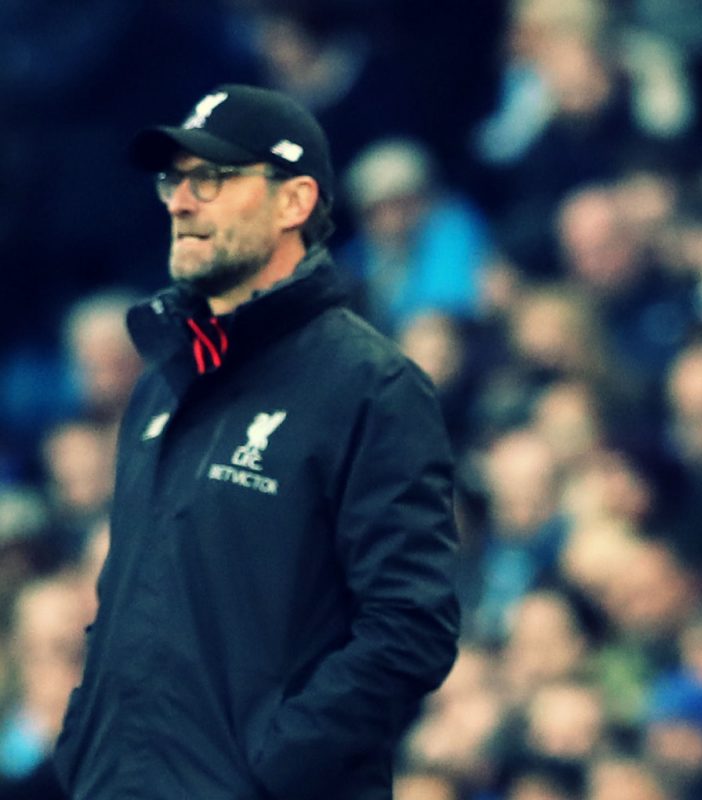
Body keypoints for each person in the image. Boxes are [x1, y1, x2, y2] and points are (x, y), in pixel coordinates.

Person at [52, 85, 460, 800]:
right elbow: (131, 599)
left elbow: (410, 626)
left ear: (294, 202)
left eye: (210, 178)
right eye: (173, 180)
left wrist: (270, 770)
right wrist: (87, 750)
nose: (180, 202)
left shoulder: (371, 385)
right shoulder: (159, 386)